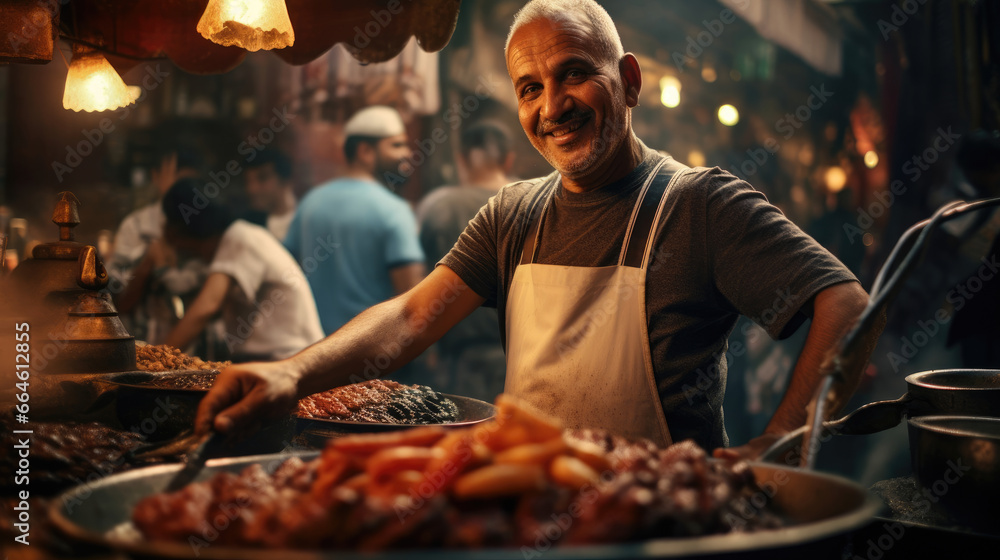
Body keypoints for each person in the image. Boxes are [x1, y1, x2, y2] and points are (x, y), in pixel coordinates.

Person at [198, 0, 880, 460]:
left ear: (630, 80)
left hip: (661, 524)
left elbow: (846, 305)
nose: (552, 106)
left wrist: (782, 443)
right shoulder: (512, 212)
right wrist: (292, 372)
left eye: (575, 74)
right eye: (529, 87)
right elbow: (410, 317)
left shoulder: (700, 204)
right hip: (522, 513)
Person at [283, 105, 426, 335]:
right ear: (365, 151)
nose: (407, 154)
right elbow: (412, 299)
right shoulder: (393, 210)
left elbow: (286, 270)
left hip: (312, 348)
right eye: (397, 145)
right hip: (371, 352)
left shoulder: (311, 202)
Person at [160, 177, 324, 362]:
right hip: (280, 360)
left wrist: (156, 360)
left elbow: (206, 307)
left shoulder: (239, 238)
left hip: (290, 360)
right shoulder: (240, 237)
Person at [414, 121, 514, 401]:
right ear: (508, 159)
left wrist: (428, 350)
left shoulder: (440, 207)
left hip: (461, 357)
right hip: (524, 354)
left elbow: (420, 282)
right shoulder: (532, 202)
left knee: (466, 434)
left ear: (461, 160)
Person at [110, 147, 207, 344]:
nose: (186, 191)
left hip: (188, 348)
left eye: (192, 184)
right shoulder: (135, 225)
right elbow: (116, 302)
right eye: (180, 181)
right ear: (156, 177)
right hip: (136, 344)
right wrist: (148, 261)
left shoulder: (204, 229)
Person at [243, 148, 298, 241]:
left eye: (262, 178)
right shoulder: (248, 226)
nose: (252, 189)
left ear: (284, 180)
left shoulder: (307, 215)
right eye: (248, 181)